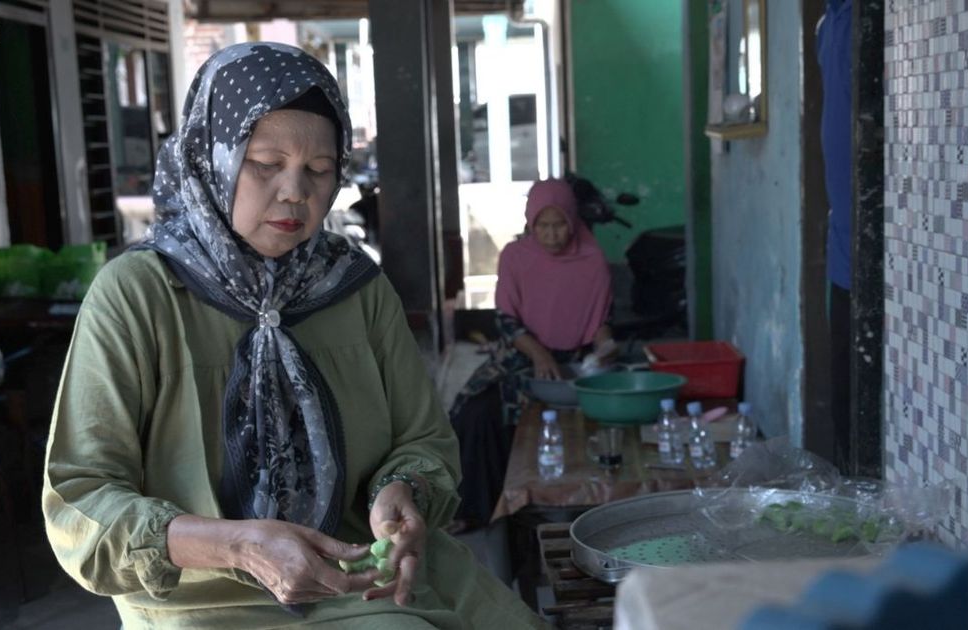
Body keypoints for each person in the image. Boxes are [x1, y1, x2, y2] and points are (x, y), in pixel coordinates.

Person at [41, 42, 546, 629]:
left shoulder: (354, 286)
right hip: (203, 603)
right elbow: (81, 501)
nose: (294, 191)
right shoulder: (138, 294)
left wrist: (401, 494)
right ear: (213, 157)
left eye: (319, 169)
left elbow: (424, 441)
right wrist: (235, 545)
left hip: (364, 581)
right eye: (264, 163)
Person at [447, 179, 614, 530]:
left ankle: (563, 508)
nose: (552, 235)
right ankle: (478, 510)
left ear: (572, 221)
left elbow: (600, 321)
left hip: (572, 364)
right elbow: (506, 321)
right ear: (530, 223)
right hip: (522, 355)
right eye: (543, 226)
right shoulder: (515, 257)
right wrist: (539, 355)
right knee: (474, 414)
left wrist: (604, 347)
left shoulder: (592, 258)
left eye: (559, 225)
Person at [817, 0, 853, 473]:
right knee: (845, 395)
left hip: (884, 253)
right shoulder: (828, 23)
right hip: (845, 249)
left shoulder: (876, 18)